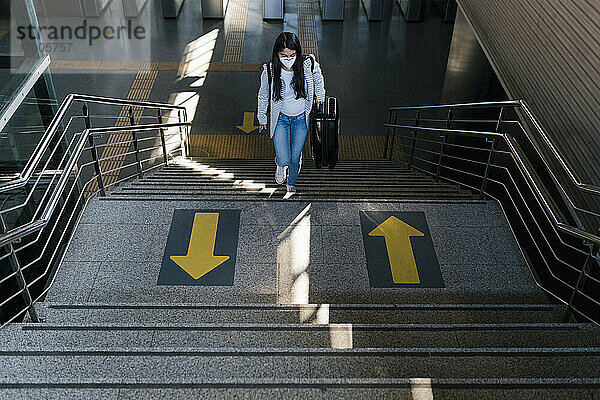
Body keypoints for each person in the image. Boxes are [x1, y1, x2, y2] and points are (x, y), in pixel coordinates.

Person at [257, 32, 326, 193]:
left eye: (292, 55)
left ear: (298, 53)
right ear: (277, 54)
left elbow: (318, 77)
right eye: (283, 55)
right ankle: (280, 165)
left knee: (295, 156)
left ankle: (291, 182)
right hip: (281, 118)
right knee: (284, 157)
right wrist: (262, 117)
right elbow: (263, 94)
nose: (288, 58)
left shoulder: (307, 64)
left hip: (301, 119)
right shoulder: (269, 70)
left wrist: (320, 95)